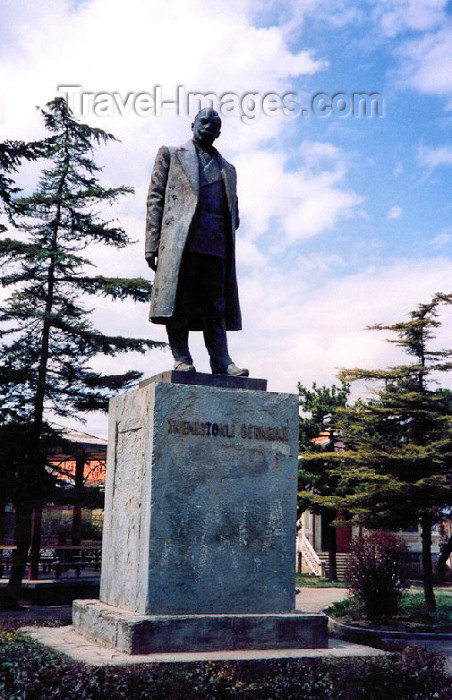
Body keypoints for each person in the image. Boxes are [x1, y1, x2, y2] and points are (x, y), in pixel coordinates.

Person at [145, 108, 248, 376]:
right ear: (192, 124)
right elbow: (156, 198)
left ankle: (221, 361)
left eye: (214, 125)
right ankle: (182, 358)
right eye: (203, 122)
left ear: (219, 132)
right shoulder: (171, 154)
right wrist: (152, 243)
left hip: (215, 245)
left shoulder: (229, 169)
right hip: (181, 243)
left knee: (216, 307)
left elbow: (233, 209)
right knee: (178, 302)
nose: (207, 127)